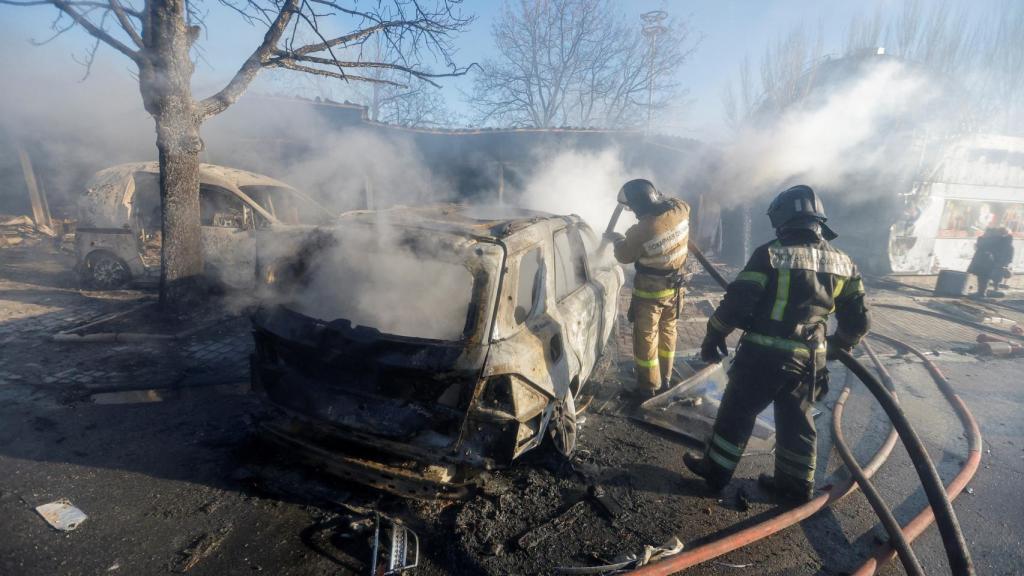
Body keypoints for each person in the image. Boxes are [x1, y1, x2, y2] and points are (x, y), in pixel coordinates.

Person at [682, 185, 870, 503]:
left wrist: (714, 334)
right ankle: (794, 486)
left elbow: (737, 303)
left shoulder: (770, 254)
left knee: (737, 413)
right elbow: (859, 320)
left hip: (762, 358)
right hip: (811, 361)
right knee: (797, 421)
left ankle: (715, 473)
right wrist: (839, 345)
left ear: (783, 219)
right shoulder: (844, 263)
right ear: (818, 221)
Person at [605, 179, 690, 398]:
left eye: (632, 207)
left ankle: (648, 387)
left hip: (650, 294)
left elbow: (624, 255)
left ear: (639, 205)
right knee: (668, 331)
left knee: (646, 338)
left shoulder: (642, 229)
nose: (632, 212)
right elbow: (675, 200)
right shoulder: (681, 210)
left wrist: (616, 240)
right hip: (676, 289)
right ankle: (666, 377)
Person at [967, 226, 1014, 298]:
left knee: (983, 277)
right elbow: (1009, 255)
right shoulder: (1006, 242)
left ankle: (982, 293)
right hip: (996, 263)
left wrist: (981, 239)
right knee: (987, 277)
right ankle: (989, 291)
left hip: (989, 262)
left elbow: (982, 246)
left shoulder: (994, 239)